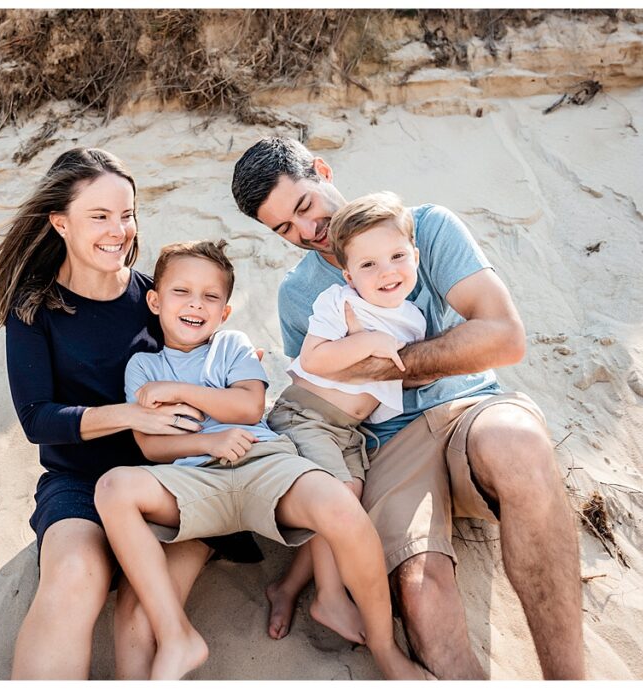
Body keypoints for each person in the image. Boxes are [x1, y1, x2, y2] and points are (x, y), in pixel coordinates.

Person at [231, 137, 584, 679]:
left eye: (304, 206)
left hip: (471, 411)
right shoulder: (298, 296)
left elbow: (504, 338)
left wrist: (391, 362)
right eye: (284, 229)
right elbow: (321, 396)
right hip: (386, 443)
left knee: (520, 443)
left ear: (322, 171)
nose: (306, 232)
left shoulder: (425, 229)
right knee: (418, 587)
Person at [0, 147, 256, 680]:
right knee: (74, 576)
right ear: (61, 223)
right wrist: (129, 416)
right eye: (99, 215)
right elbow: (38, 419)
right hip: (79, 480)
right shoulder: (33, 310)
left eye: (126, 214)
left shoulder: (159, 296)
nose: (117, 230)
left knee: (142, 611)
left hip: (178, 478)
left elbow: (220, 360)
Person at [93, 240, 430, 680]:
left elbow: (249, 407)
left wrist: (180, 394)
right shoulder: (142, 366)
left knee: (342, 507)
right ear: (155, 301)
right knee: (113, 487)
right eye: (181, 293)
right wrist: (208, 444)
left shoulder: (231, 345)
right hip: (195, 483)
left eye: (211, 297)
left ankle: (385, 649)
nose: (196, 305)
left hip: (262, 460)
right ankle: (177, 635)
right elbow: (153, 446)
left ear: (225, 312)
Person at [264, 191, 426, 643]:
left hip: (348, 431)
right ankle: (329, 597)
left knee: (347, 499)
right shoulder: (339, 303)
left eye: (396, 257)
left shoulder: (413, 319)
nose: (386, 272)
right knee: (338, 496)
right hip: (305, 416)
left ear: (414, 256)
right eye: (368, 265)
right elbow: (314, 360)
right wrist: (367, 342)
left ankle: (289, 586)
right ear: (347, 272)